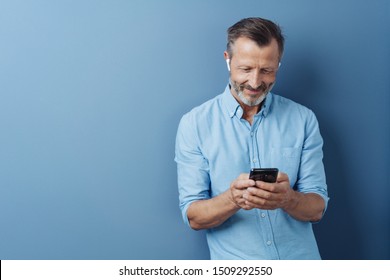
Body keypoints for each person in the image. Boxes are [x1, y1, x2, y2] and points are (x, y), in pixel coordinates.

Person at [174, 17, 329, 260]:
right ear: (228, 60)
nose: (255, 82)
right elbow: (194, 216)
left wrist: (287, 199)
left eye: (266, 70)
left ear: (278, 64)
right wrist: (233, 198)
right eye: (245, 69)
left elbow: (317, 208)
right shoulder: (194, 124)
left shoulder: (303, 119)